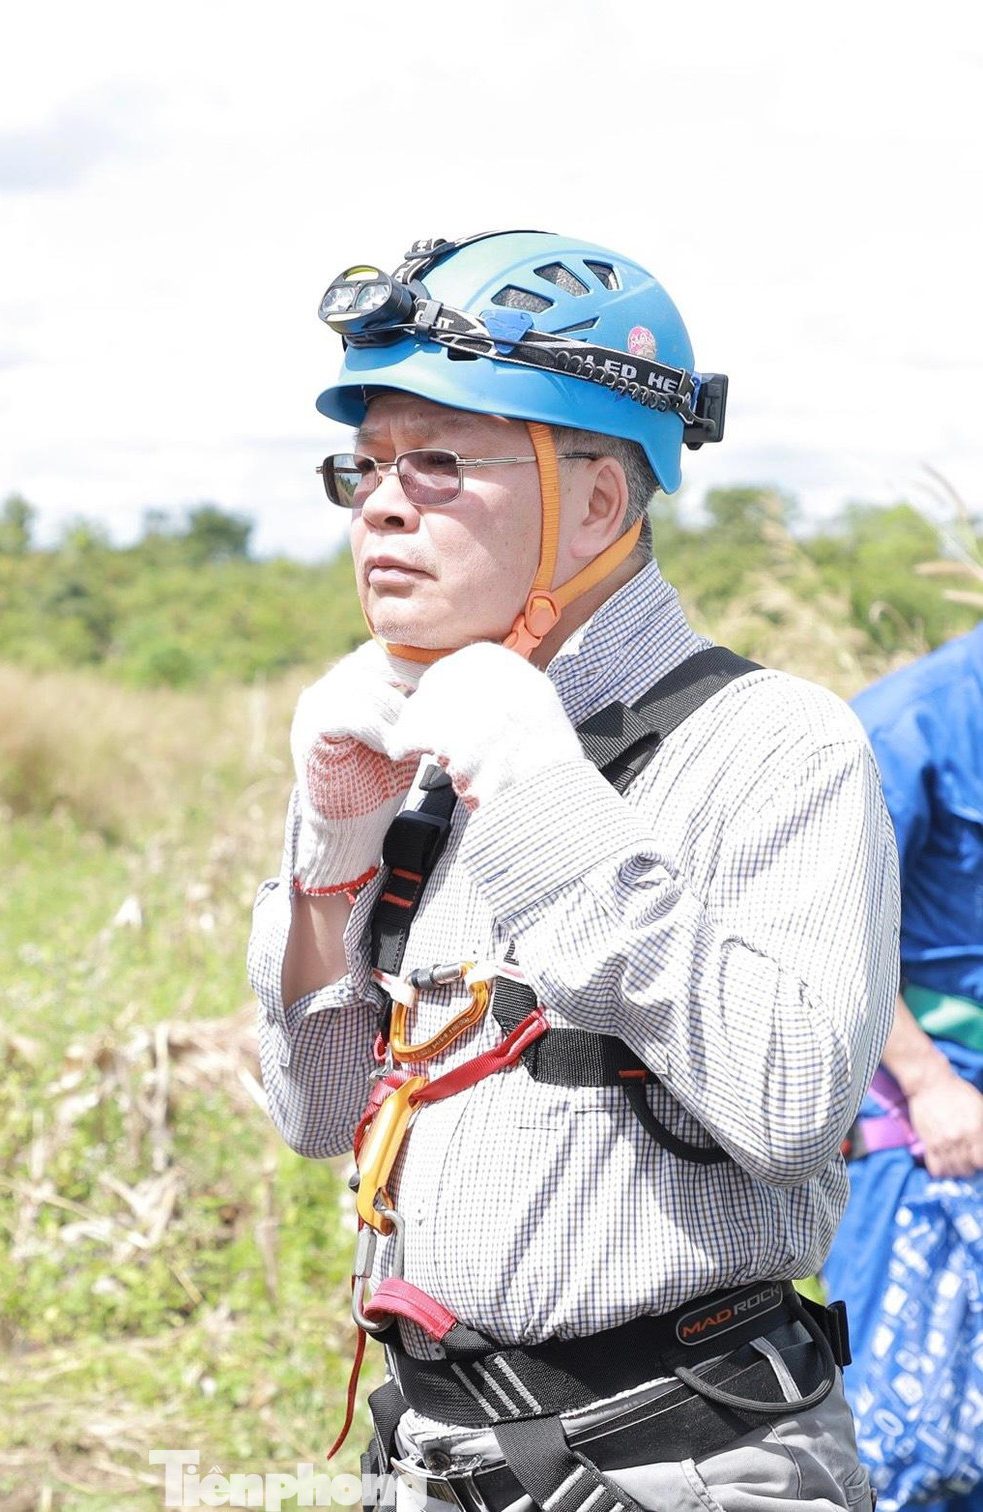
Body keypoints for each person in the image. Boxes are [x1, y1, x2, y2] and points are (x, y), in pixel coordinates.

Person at [247, 230, 899, 1511]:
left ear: (598, 500)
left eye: (438, 461)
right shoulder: (420, 749)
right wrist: (327, 865)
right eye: (367, 464)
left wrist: (545, 802)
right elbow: (319, 1114)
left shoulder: (778, 743)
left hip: (687, 1465)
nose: (381, 503)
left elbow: (791, 1105)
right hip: (437, 1458)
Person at [822, 624, 983, 1512]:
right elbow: (835, 931)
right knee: (903, 1442)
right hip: (927, 1133)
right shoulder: (904, 726)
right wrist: (928, 1082)